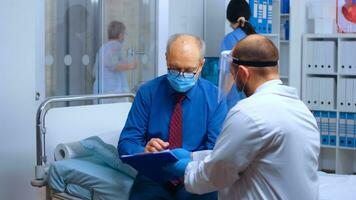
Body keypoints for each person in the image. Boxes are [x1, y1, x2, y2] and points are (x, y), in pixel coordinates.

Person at [166, 35, 320, 200]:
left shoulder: (248, 113)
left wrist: (185, 168)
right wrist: (193, 156)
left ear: (244, 73)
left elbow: (217, 175)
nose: (232, 79)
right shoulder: (301, 109)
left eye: (233, 73)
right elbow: (246, 154)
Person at [118, 34, 228, 200]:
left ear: (201, 65)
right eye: (174, 69)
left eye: (189, 71)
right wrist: (144, 151)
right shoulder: (148, 93)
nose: (181, 76)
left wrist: (189, 165)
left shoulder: (215, 99)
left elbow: (215, 151)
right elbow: (127, 142)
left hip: (196, 175)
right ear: (166, 59)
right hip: (153, 178)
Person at [220, 0, 257, 110]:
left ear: (229, 17)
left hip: (235, 103)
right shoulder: (257, 38)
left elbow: (230, 75)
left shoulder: (230, 39)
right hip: (254, 100)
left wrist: (219, 100)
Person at [93, 21, 136, 95]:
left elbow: (94, 72)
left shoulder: (103, 48)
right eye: (123, 34)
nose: (124, 37)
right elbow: (113, 65)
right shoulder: (115, 46)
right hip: (112, 92)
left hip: (103, 90)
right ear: (120, 35)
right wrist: (131, 66)